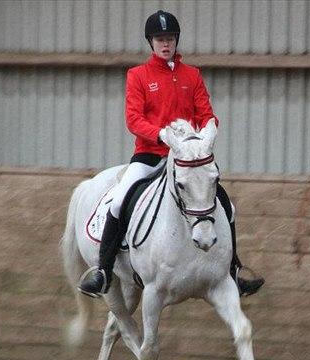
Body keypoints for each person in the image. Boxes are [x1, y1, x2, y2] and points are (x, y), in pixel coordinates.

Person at [78, 10, 264, 299]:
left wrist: (209, 130)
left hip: (187, 161)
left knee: (225, 204)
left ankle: (233, 270)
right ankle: (103, 270)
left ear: (177, 41)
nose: (166, 44)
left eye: (170, 39)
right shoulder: (138, 75)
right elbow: (133, 119)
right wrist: (159, 134)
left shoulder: (192, 76)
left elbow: (205, 114)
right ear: (151, 42)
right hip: (149, 156)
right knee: (119, 201)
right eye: (160, 39)